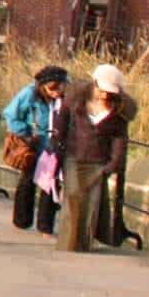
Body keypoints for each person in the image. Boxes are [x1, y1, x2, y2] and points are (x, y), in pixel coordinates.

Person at [54, 65, 130, 253]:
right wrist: (57, 143)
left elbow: (120, 140)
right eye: (103, 90)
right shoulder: (75, 99)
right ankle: (69, 243)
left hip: (98, 160)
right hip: (73, 155)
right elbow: (61, 121)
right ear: (95, 84)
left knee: (92, 203)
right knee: (72, 197)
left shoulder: (119, 111)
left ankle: (84, 243)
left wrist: (112, 164)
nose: (106, 95)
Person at [2, 66, 67, 235]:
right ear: (42, 86)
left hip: (54, 148)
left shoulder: (66, 99)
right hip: (34, 145)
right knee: (27, 182)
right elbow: (10, 115)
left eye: (60, 87)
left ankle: (45, 226)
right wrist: (25, 133)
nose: (56, 92)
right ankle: (22, 220)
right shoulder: (29, 94)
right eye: (52, 88)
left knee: (51, 186)